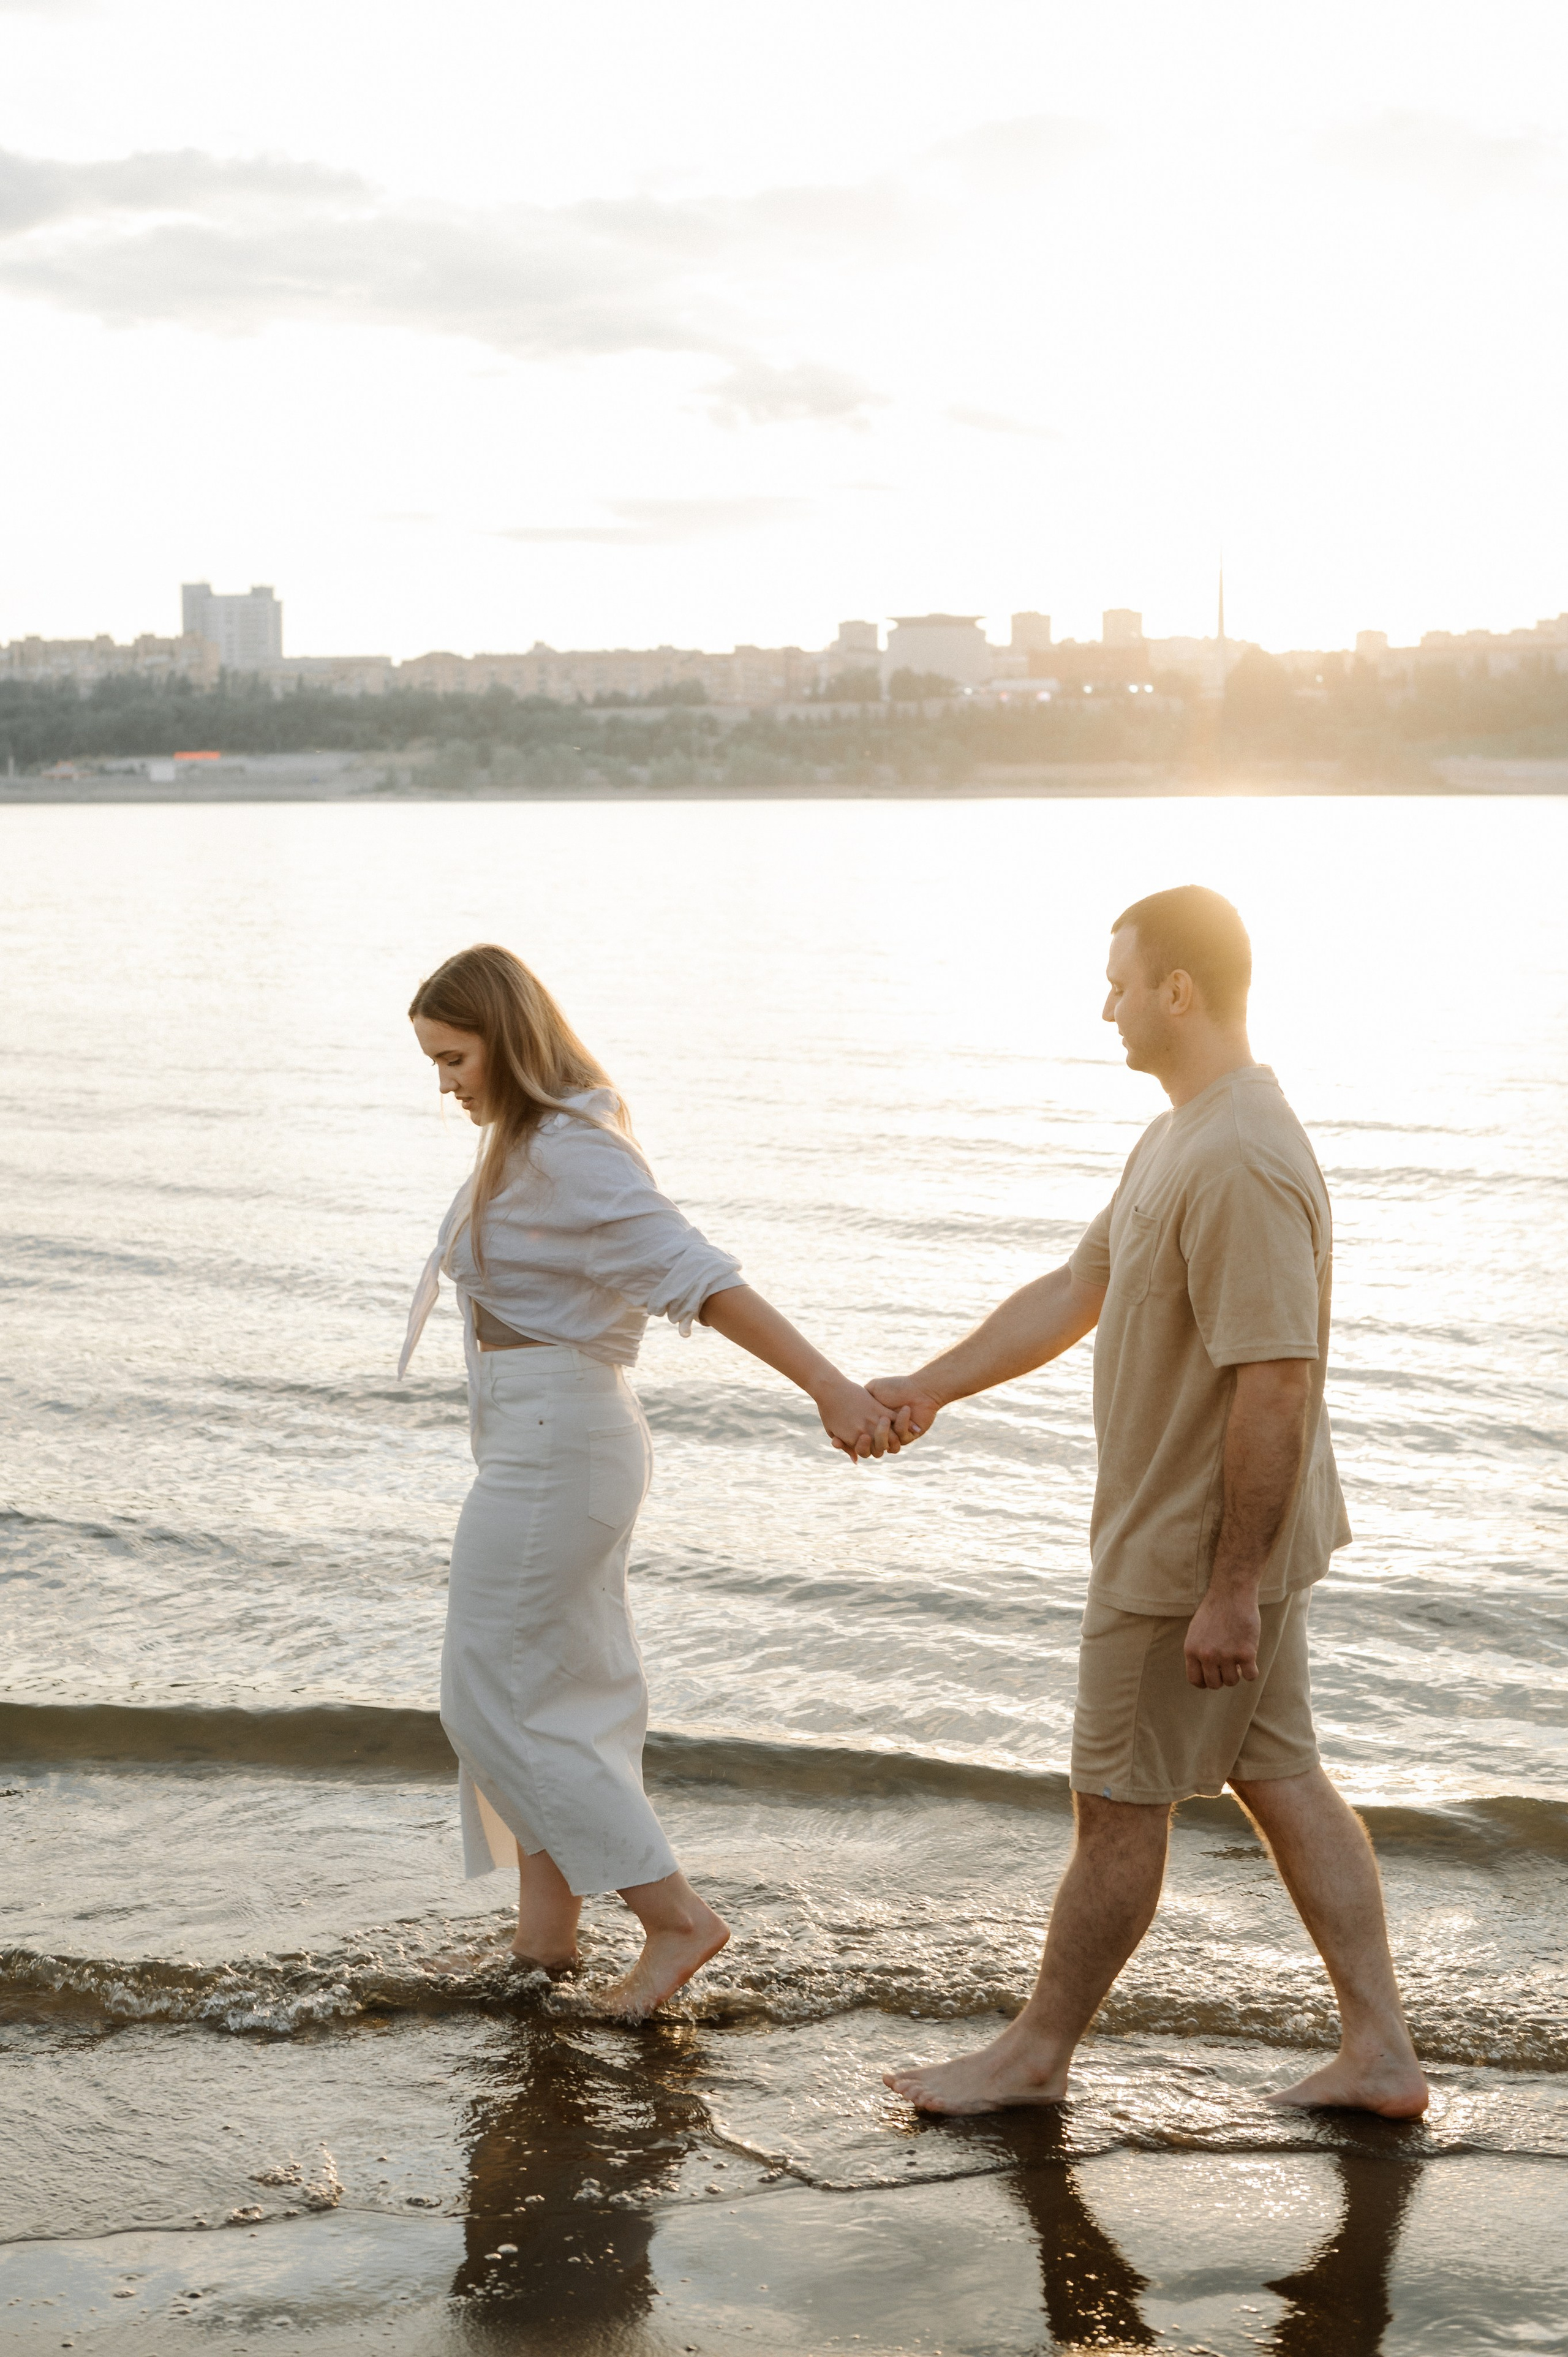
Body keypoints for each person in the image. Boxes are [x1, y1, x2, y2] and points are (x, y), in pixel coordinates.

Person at [872, 886, 1428, 2119]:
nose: (1104, 1002)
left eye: (1119, 980)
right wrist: (928, 1388)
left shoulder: (1236, 1155)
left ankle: (1031, 2055)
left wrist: (1225, 1586)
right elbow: (1079, 1285)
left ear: (1176, 991)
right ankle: (1379, 2052)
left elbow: (1273, 1382)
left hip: (1188, 1551)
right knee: (1281, 1774)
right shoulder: (1183, 1130)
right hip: (1216, 1541)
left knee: (1115, 1809)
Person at [400, 943, 911, 2016]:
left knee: (485, 1691)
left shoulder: (572, 1151)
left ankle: (676, 1920)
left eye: (454, 1057)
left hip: (558, 1448)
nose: (443, 1083)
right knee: (551, 1690)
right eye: (434, 1062)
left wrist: (827, 1385)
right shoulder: (534, 1139)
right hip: (543, 1442)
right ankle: (546, 1939)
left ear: (508, 1037)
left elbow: (703, 1278)